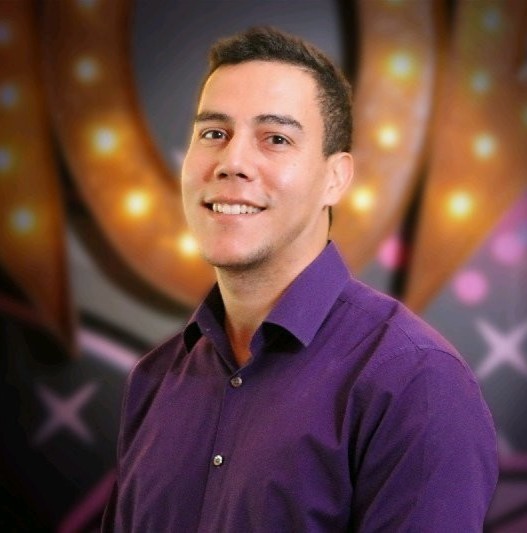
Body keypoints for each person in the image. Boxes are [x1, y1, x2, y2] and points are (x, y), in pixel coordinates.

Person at [102, 26, 498, 532]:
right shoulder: (154, 381)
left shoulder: (416, 382)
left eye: (276, 139)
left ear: (336, 178)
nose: (232, 163)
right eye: (214, 133)